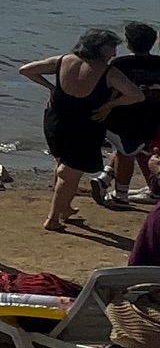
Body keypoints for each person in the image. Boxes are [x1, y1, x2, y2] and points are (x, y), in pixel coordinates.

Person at [20, 29, 144, 230]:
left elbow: (26, 70)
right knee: (70, 173)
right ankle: (53, 219)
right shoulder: (108, 72)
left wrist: (52, 88)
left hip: (56, 121)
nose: (114, 53)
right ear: (99, 47)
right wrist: (109, 105)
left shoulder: (62, 61)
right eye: (111, 47)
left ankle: (65, 207)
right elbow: (136, 95)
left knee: (62, 164)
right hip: (85, 126)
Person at [105, 21, 160, 204]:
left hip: (125, 118)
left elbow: (110, 91)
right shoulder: (158, 63)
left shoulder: (121, 64)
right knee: (145, 152)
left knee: (124, 152)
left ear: (128, 43)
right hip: (153, 118)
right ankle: (155, 187)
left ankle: (120, 194)